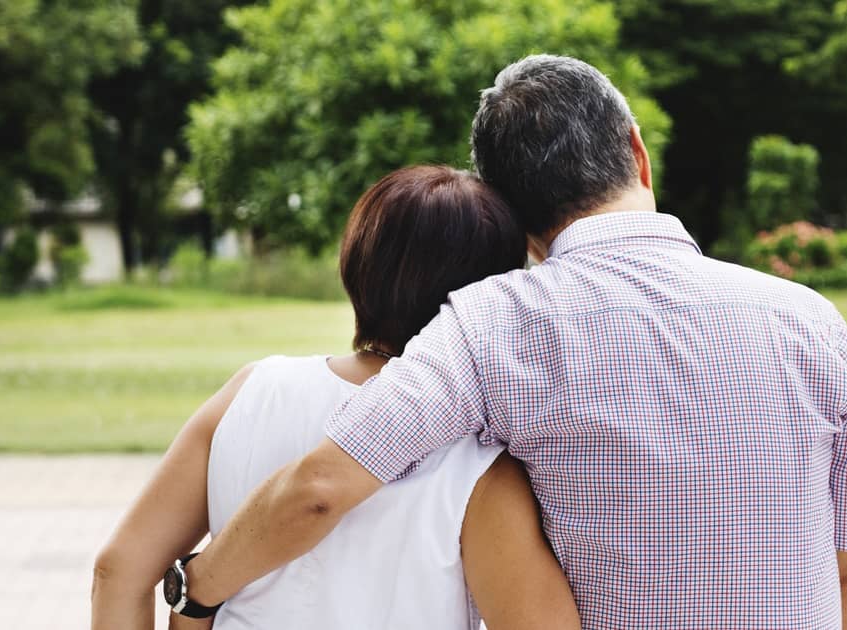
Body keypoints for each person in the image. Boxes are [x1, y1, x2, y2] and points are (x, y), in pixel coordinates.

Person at [177, 55, 847, 630]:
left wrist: (198, 592)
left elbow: (321, 488)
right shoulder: (809, 321)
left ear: (510, 211)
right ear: (637, 152)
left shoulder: (491, 324)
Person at [90, 166, 581, 630]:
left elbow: (118, 571)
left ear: (355, 264)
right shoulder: (479, 459)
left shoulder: (252, 390)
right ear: (491, 295)